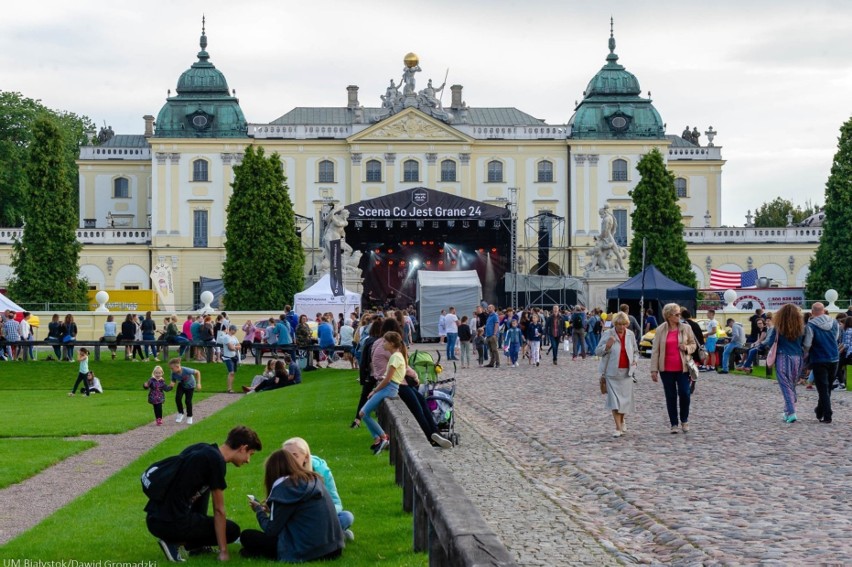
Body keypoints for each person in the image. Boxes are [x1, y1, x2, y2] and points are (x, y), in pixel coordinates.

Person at [145, 426, 262, 562]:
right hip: (171, 523)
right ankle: (173, 542)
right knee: (232, 530)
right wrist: (223, 551)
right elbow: (219, 510)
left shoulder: (202, 448)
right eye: (250, 454)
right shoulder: (216, 462)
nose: (248, 460)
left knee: (205, 489)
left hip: (154, 518)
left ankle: (195, 546)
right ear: (243, 448)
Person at [241, 449, 343, 562]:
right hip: (334, 548)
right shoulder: (313, 480)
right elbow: (300, 512)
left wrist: (259, 511)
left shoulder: (285, 489)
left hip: (307, 550)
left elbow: (271, 530)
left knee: (247, 536)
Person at [282, 437, 355, 540]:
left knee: (346, 517)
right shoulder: (281, 473)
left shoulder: (322, 472)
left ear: (306, 458)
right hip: (298, 519)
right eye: (285, 457)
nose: (289, 461)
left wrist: (321, 513)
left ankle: (331, 534)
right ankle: (336, 535)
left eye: (294, 456)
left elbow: (336, 502)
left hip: (321, 517)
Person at [650, 303, 697, 434]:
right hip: (666, 369)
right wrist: (654, 370)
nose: (679, 316)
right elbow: (655, 351)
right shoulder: (660, 330)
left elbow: (693, 344)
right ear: (669, 316)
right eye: (676, 314)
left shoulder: (686, 328)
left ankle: (684, 419)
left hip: (683, 368)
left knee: (684, 393)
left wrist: (687, 348)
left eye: (679, 314)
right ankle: (674, 423)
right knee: (670, 396)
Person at [360, 331, 406, 454]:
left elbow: (388, 379)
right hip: (390, 387)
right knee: (364, 414)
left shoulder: (395, 357)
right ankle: (378, 438)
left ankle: (383, 437)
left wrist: (375, 390)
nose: (383, 344)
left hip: (389, 388)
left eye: (385, 342)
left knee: (364, 413)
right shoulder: (397, 355)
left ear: (391, 343)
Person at [596, 312, 638, 437]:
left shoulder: (630, 335)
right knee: (614, 401)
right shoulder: (608, 334)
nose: (621, 327)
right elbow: (597, 351)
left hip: (627, 372)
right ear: (615, 324)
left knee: (624, 401)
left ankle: (622, 419)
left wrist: (635, 360)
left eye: (623, 324)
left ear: (627, 324)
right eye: (619, 324)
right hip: (611, 372)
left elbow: (636, 351)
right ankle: (618, 427)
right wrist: (607, 346)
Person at [764, 304, 806, 423]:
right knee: (791, 385)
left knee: (785, 385)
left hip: (783, 356)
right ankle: (787, 411)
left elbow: (770, 342)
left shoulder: (778, 328)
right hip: (798, 358)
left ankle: (792, 412)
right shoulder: (801, 328)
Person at [803, 302, 840, 423]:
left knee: (822, 388)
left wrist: (806, 352)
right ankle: (820, 410)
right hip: (834, 357)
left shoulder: (811, 325)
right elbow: (836, 338)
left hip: (819, 358)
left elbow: (808, 343)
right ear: (823, 311)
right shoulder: (834, 322)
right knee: (827, 387)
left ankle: (827, 414)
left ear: (812, 312)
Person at [170, 358, 202, 425]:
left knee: (188, 401)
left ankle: (189, 416)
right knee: (178, 398)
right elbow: (173, 381)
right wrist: (170, 386)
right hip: (181, 385)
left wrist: (198, 383)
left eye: (172, 368)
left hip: (190, 386)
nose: (171, 370)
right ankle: (180, 413)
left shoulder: (186, 370)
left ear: (177, 367)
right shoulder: (173, 373)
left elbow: (197, 372)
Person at [220, 325, 240, 393]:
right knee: (231, 372)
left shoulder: (234, 337)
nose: (236, 332)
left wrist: (234, 347)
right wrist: (235, 347)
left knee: (233, 373)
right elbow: (230, 348)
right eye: (235, 330)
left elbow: (239, 345)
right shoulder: (226, 337)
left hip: (234, 356)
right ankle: (229, 388)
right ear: (231, 330)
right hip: (228, 357)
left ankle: (231, 387)